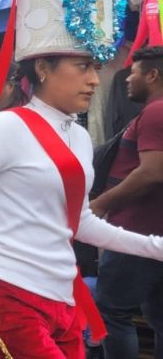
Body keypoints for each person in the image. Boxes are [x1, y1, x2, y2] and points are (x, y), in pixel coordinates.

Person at [0, 54, 163, 358]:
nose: (94, 79)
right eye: (83, 67)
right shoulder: (6, 126)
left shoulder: (79, 137)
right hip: (5, 290)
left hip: (62, 298)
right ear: (42, 69)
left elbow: (80, 223)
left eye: (95, 68)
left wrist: (156, 246)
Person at [90, 46, 163, 358]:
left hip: (136, 231)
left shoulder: (156, 112)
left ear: (152, 74)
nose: (127, 80)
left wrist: (101, 204)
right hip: (152, 234)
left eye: (133, 72)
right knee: (158, 316)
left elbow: (151, 172)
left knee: (111, 311)